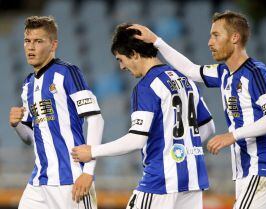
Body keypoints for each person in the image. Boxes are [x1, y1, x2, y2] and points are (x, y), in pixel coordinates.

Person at [129, 10, 266, 209]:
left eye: (216, 35)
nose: (209, 42)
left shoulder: (257, 74)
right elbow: (190, 70)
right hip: (248, 173)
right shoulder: (224, 73)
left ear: (235, 37)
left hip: (263, 168)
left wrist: (233, 135)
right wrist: (157, 41)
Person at [71, 23, 215, 209]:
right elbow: (208, 126)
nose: (122, 66)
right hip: (194, 179)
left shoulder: (146, 87)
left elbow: (136, 140)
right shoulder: (186, 80)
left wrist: (92, 151)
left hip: (161, 181)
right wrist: (179, 149)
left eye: (121, 59)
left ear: (134, 54)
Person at [9, 16, 103, 209]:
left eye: (38, 41)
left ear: (53, 45)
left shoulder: (67, 73)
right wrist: (17, 124)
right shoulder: (28, 84)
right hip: (39, 181)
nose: (31, 47)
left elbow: (96, 119)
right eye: (27, 41)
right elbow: (31, 138)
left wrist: (88, 172)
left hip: (72, 178)